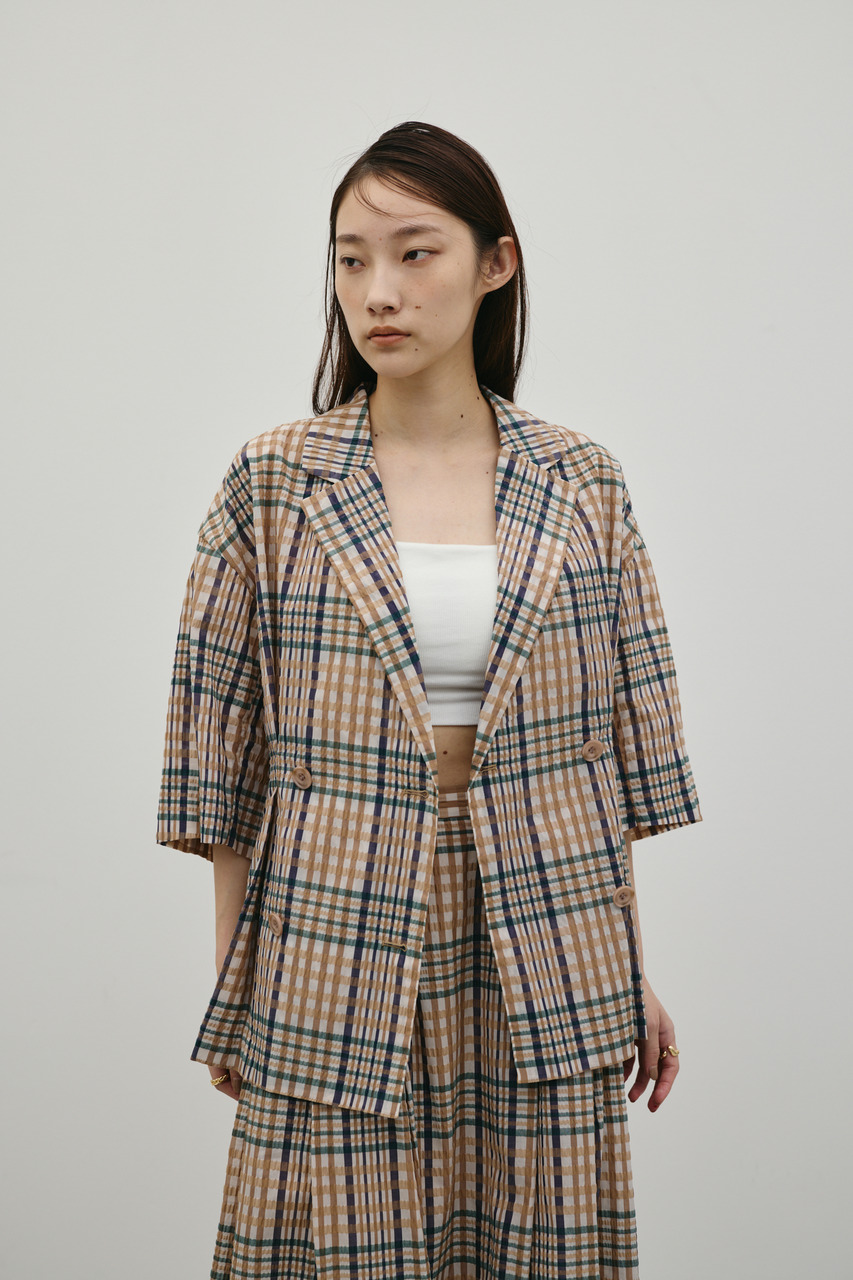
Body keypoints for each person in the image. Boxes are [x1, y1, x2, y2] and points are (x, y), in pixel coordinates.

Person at [156, 120, 701, 1279]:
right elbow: (221, 755)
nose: (378, 291)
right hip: (332, 928)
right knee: (337, 1242)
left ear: (494, 263)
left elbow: (603, 757)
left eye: (414, 253)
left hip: (549, 931)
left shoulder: (582, 481)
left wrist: (629, 961)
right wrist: (236, 977)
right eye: (351, 259)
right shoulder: (273, 481)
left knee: (539, 1236)